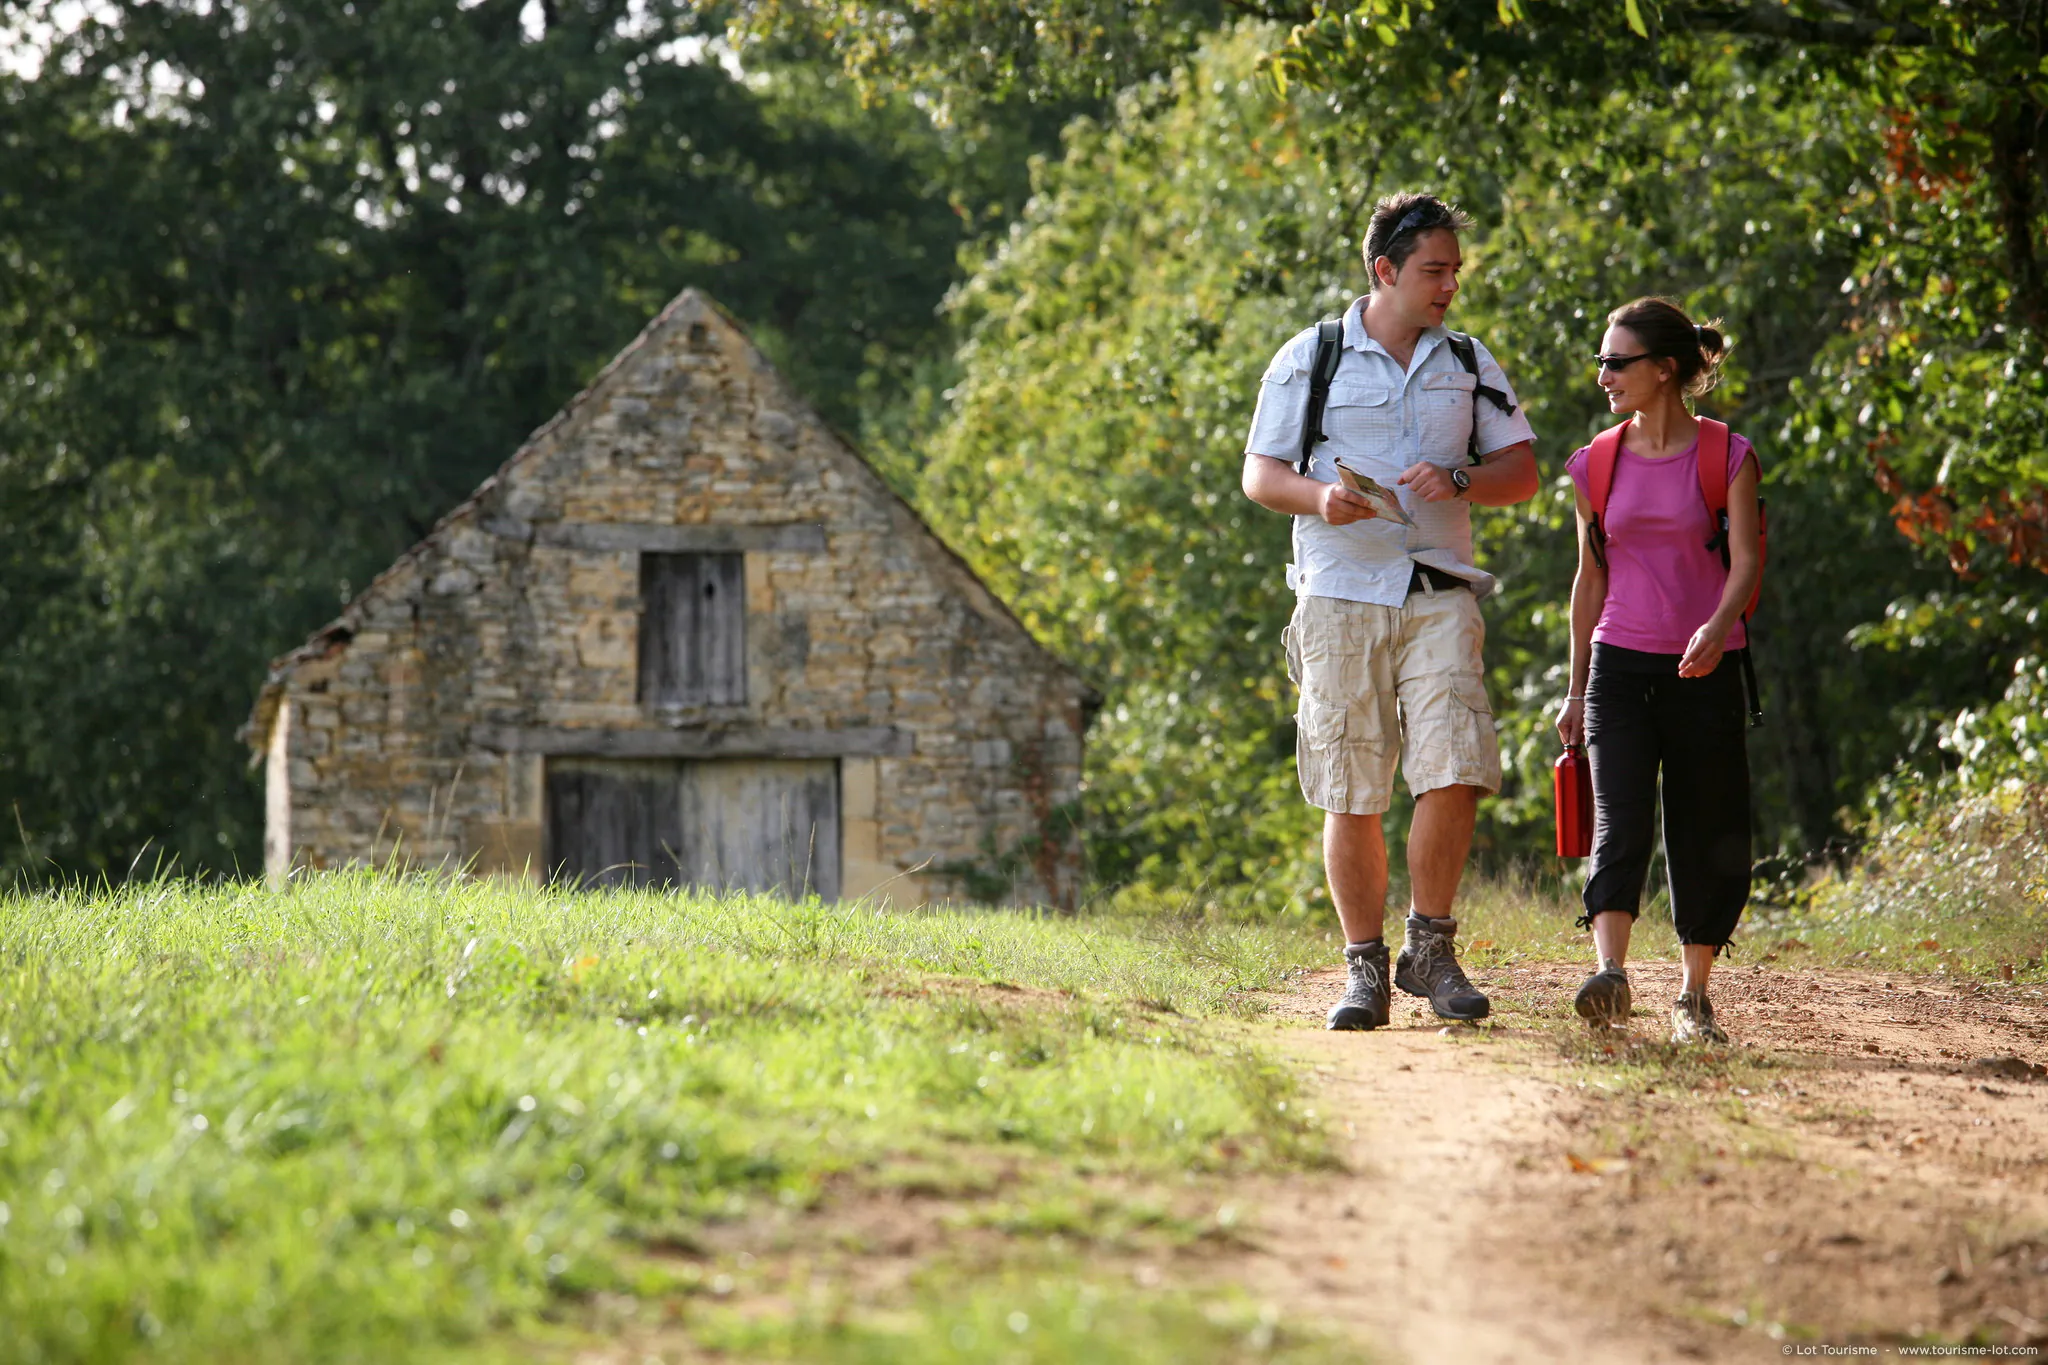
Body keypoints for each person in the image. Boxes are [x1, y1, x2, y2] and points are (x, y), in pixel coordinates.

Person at [1241, 192, 1539, 1031]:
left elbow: (1522, 472)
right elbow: (1260, 475)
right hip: (1340, 594)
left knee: (1456, 766)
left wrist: (1463, 479)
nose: (1448, 286)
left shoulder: (1470, 360)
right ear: (1386, 271)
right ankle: (1364, 969)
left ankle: (1431, 950)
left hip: (1442, 588)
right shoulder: (1313, 355)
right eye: (1433, 270)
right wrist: (1320, 498)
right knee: (1353, 784)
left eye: (1454, 271)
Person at [1555, 297, 1761, 1045]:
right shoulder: (1595, 464)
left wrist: (1716, 626)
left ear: (1664, 369)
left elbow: (1746, 564)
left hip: (1707, 665)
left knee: (1705, 825)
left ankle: (1693, 997)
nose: (1603, 374)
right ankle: (1611, 973)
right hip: (1619, 664)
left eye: (1617, 361)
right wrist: (1574, 687)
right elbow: (1589, 583)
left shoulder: (1726, 455)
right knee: (1620, 819)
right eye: (1602, 360)